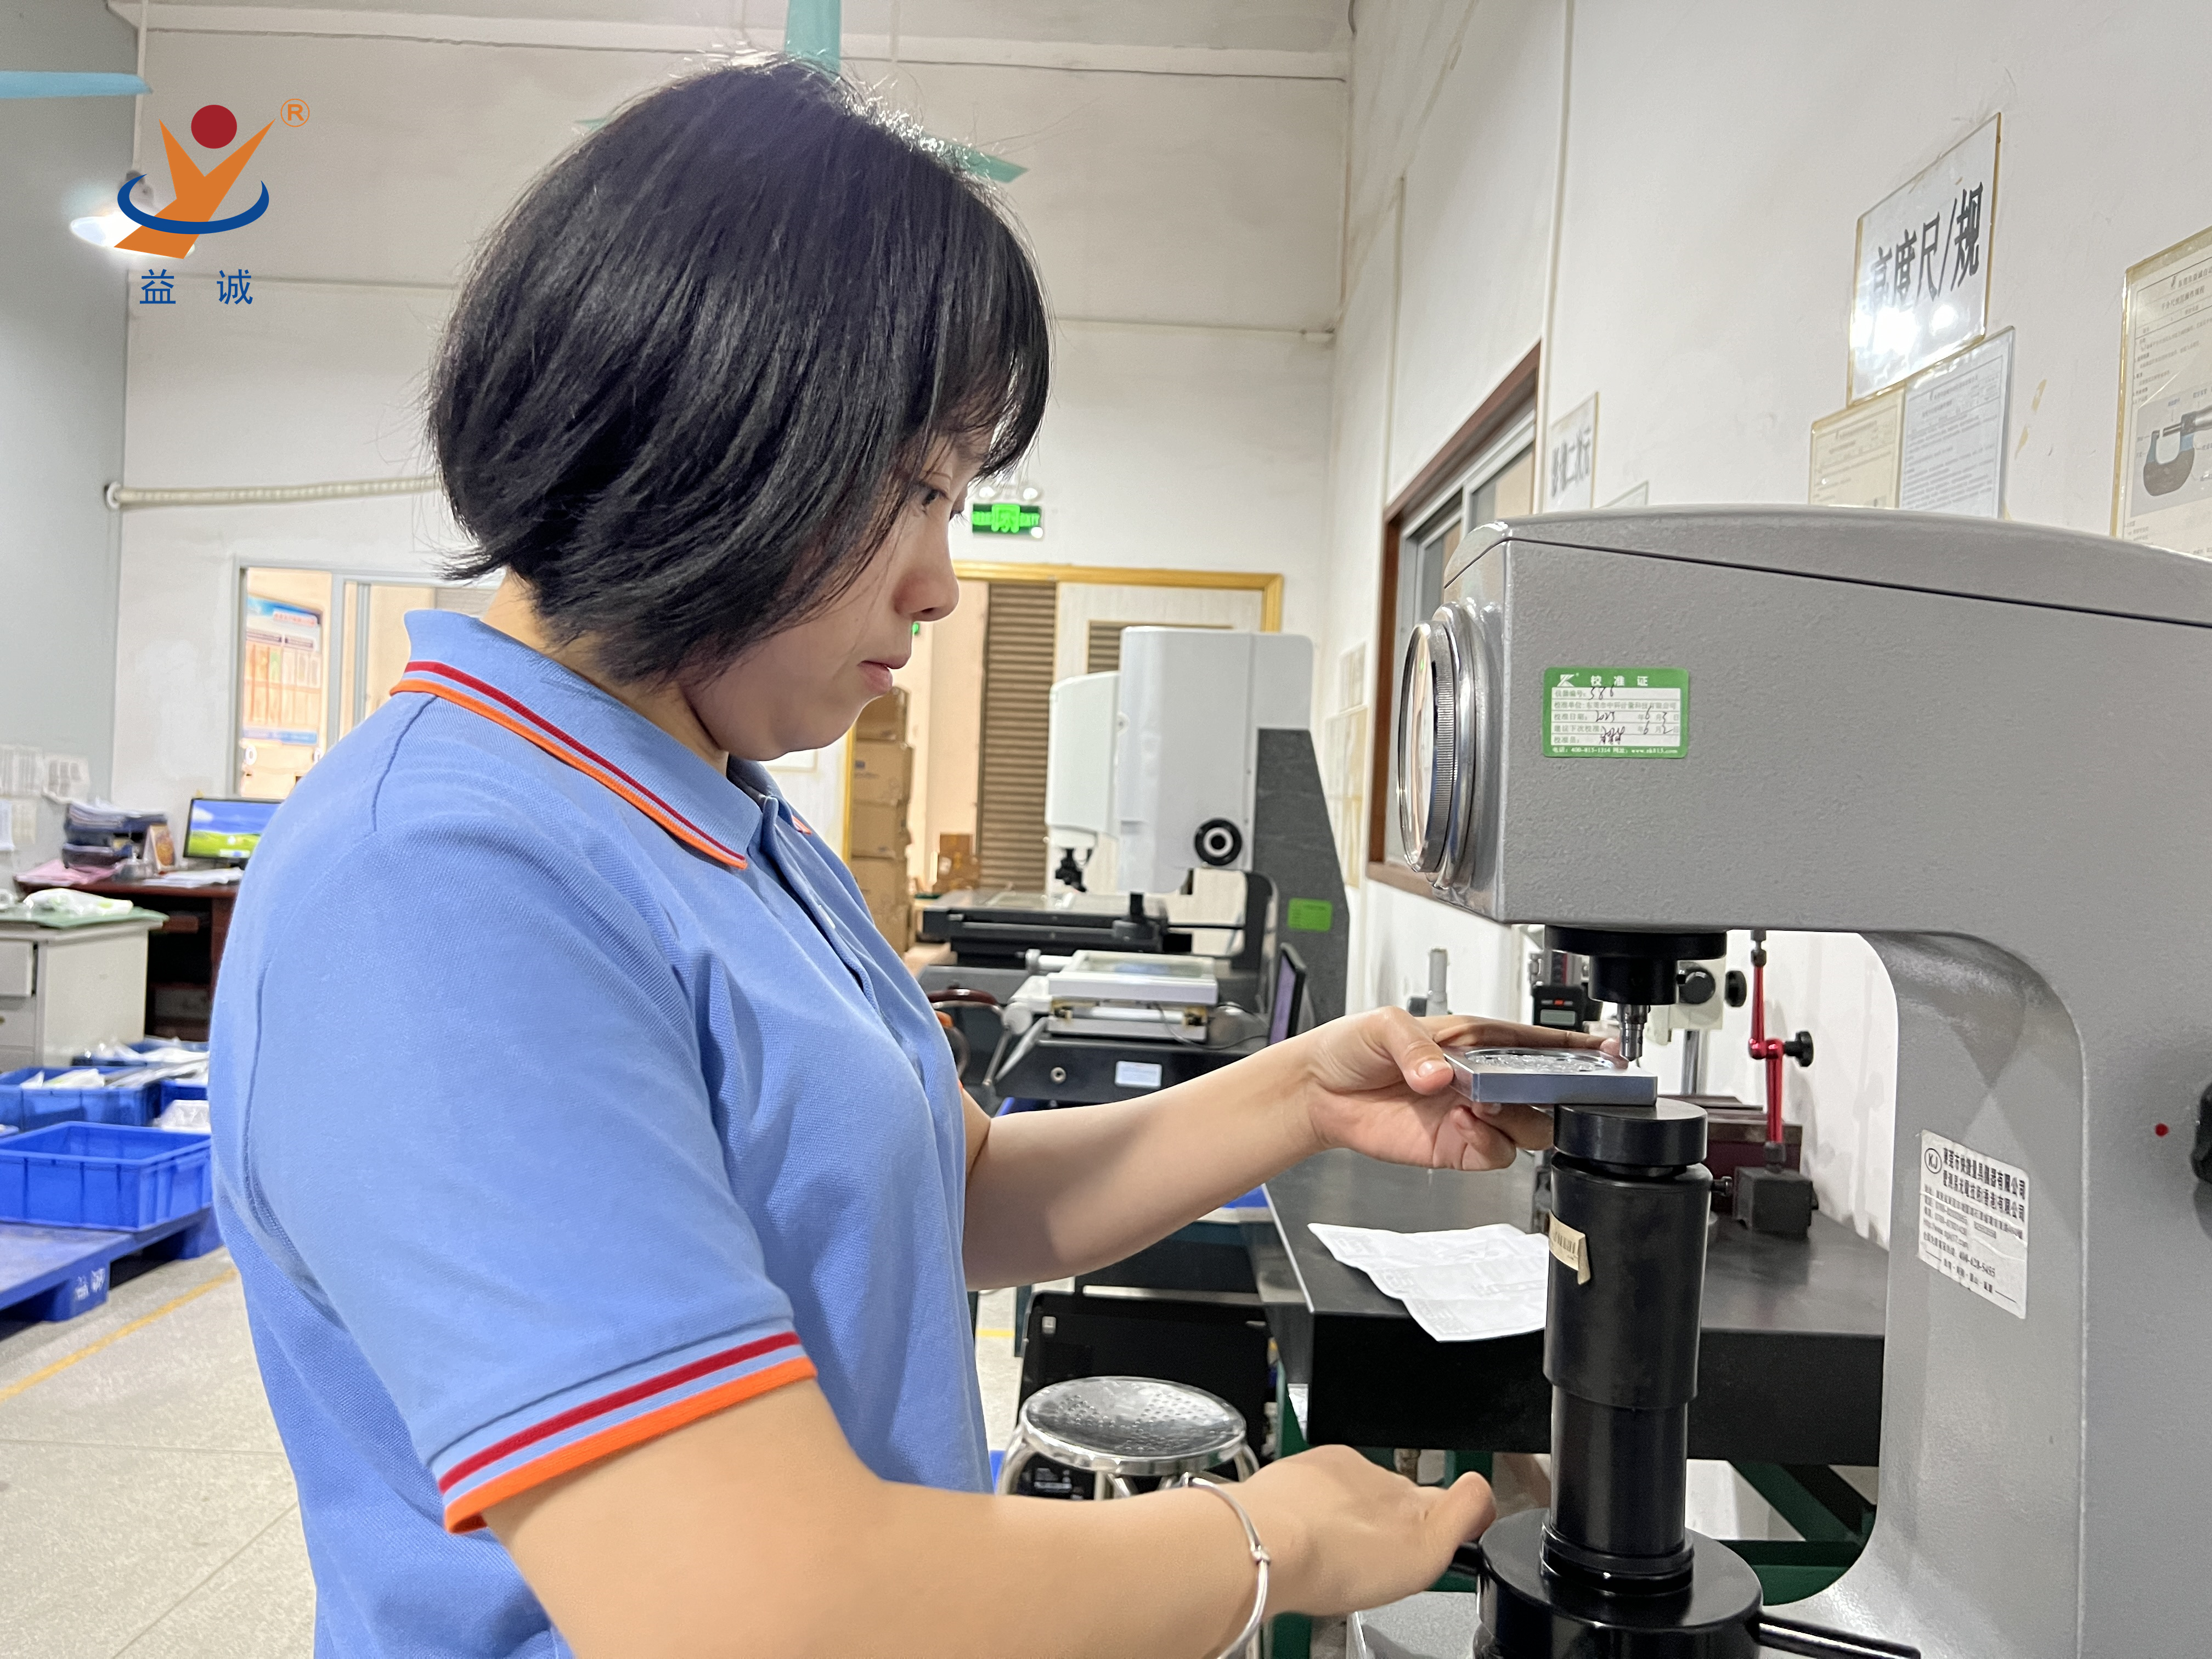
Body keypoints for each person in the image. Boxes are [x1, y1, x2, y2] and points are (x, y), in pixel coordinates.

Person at [211, 60, 1593, 1659]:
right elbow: (745, 1605)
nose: (940, 582)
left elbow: (959, 1193)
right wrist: (1257, 1543)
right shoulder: (439, 885)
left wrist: (1302, 1092)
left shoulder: (723, 813)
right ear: (713, 432)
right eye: (916, 492)